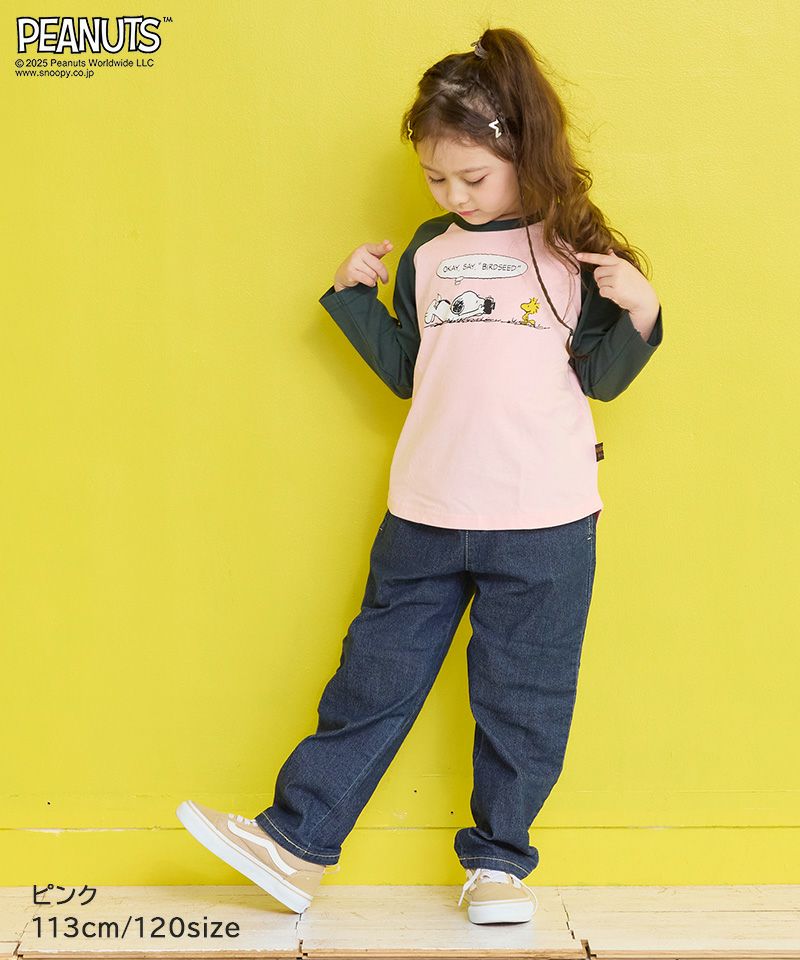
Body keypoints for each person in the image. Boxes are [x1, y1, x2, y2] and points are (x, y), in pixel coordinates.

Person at [176, 26, 663, 926]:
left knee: (524, 702)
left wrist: (640, 312)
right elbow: (410, 371)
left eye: (472, 177)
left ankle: (498, 867)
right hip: (427, 511)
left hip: (547, 520)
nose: (453, 196)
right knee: (372, 679)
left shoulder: (574, 252)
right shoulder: (431, 252)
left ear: (525, 150)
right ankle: (295, 845)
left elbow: (599, 378)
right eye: (436, 179)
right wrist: (352, 299)